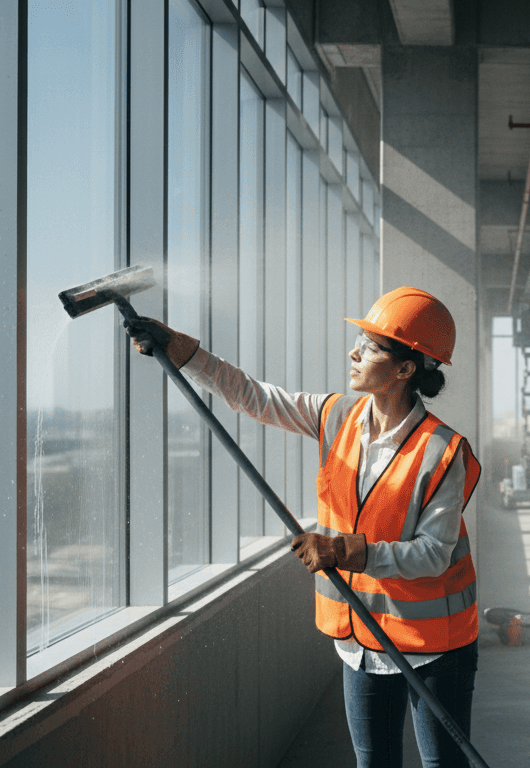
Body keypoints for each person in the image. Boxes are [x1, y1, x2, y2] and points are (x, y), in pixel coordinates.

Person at [123, 287, 480, 768]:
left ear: (405, 369)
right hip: (362, 638)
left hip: (433, 646)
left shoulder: (443, 450)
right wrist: (184, 352)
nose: (354, 353)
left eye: (371, 346)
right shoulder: (336, 416)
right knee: (373, 761)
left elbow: (434, 553)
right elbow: (253, 397)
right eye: (359, 341)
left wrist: (343, 551)